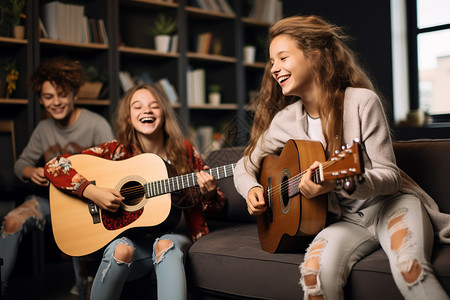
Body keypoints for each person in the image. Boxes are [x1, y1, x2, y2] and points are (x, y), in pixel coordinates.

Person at [233, 15, 450, 300]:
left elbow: (389, 176)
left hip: (390, 204)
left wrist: (338, 182)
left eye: (283, 58)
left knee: (410, 268)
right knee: (314, 279)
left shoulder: (361, 102)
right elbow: (244, 165)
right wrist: (252, 190)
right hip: (344, 221)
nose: (274, 68)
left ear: (316, 55)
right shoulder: (284, 121)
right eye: (272, 61)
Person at [44, 83, 226, 300]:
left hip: (174, 235)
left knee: (165, 244)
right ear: (128, 117)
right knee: (119, 250)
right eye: (137, 107)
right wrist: (90, 191)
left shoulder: (184, 150)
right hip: (133, 240)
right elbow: (54, 166)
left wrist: (209, 194)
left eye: (154, 106)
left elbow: (216, 207)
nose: (146, 111)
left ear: (164, 113)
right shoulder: (117, 151)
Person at [0, 58, 114, 297]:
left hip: (86, 205)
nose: (56, 102)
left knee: (78, 244)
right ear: (41, 99)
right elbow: (20, 164)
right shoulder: (43, 129)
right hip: (51, 202)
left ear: (74, 94)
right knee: (11, 221)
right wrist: (33, 171)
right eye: (49, 97)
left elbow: (113, 169)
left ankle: (84, 284)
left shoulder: (96, 124)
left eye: (62, 95)